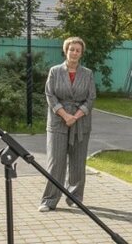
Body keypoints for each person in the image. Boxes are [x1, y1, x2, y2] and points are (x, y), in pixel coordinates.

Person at [40, 36, 96, 212]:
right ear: (65, 50)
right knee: (56, 163)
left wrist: (76, 116)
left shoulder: (87, 73)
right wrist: (65, 115)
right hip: (58, 121)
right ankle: (49, 200)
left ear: (81, 54)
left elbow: (91, 97)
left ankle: (75, 199)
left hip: (81, 123)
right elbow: (50, 95)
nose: (74, 53)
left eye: (78, 50)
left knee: (78, 163)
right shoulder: (55, 71)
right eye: (71, 49)